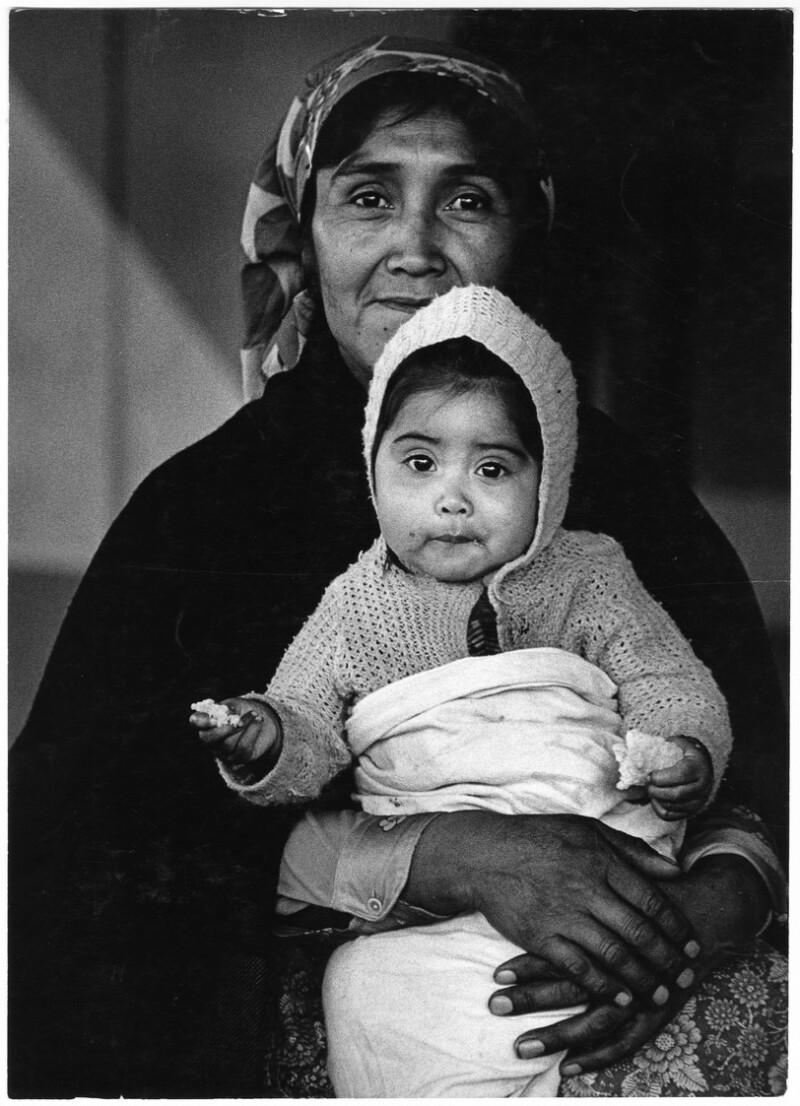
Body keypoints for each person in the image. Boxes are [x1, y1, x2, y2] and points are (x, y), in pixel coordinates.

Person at [9, 37, 787, 1098]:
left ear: (527, 238)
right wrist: (440, 854)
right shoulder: (201, 512)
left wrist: (700, 911)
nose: (414, 249)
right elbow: (77, 830)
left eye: (467, 201)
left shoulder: (630, 503)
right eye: (368, 198)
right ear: (301, 237)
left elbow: (754, 771)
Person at [191, 285, 732, 1097]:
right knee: (365, 988)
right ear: (373, 468)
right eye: (419, 463)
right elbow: (307, 726)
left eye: (492, 468)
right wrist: (263, 737)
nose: (452, 497)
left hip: (606, 846)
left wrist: (684, 749)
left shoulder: (591, 573)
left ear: (549, 479)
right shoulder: (356, 605)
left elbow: (666, 677)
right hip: (436, 899)